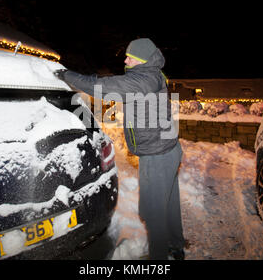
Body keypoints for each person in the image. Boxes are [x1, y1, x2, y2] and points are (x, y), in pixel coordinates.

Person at [55, 38, 185, 260]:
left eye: (130, 57)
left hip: (157, 156)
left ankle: (159, 259)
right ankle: (176, 245)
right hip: (168, 150)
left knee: (154, 212)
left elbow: (103, 87)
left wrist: (66, 75)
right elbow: (113, 81)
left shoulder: (142, 80)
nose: (125, 59)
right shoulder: (150, 75)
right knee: (169, 204)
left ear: (142, 59)